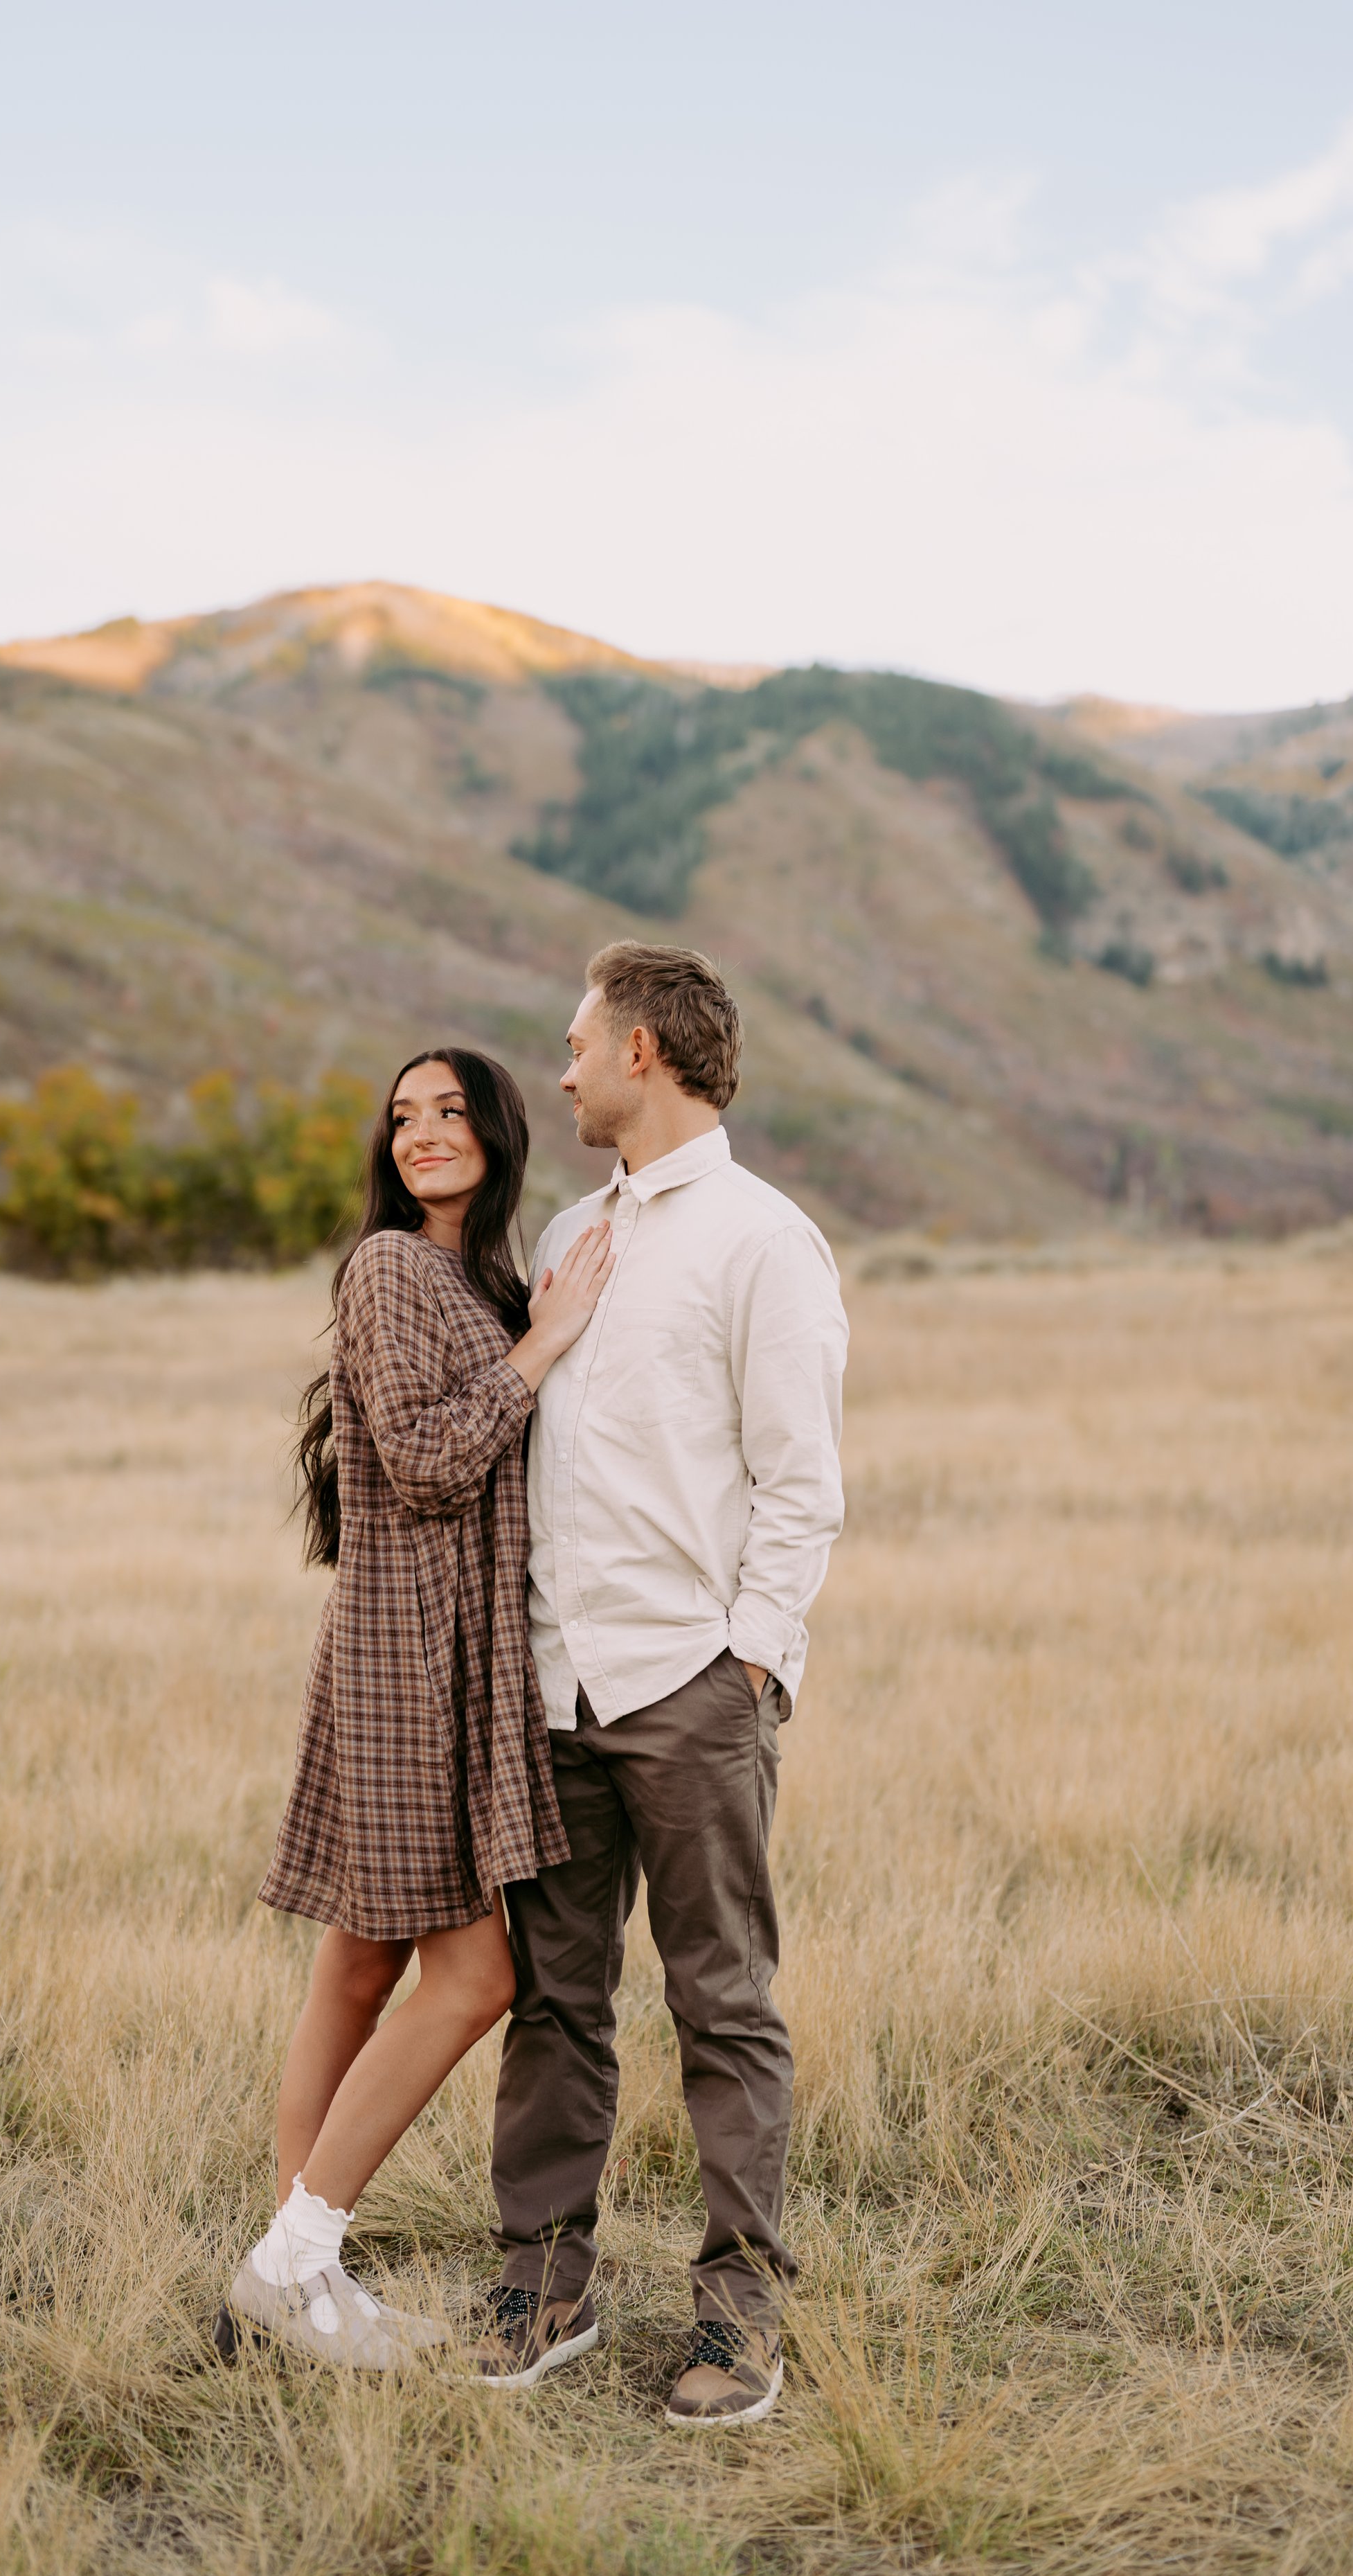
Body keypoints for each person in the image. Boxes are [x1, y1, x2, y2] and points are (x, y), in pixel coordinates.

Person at [470, 943, 850, 2426]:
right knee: (555, 2005)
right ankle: (542, 2287)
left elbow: (799, 1483)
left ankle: (738, 2315)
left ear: (640, 1050)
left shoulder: (765, 1241)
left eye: (574, 1042)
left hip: (691, 1686)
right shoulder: (573, 1229)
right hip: (556, 1687)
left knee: (722, 2006)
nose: (557, 1070)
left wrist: (747, 1663)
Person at [217, 1047, 613, 2371]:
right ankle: (292, 2260)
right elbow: (432, 1460)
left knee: (358, 1962)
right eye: (402, 1118)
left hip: (451, 1661)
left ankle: (295, 2273)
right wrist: (548, 1341)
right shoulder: (391, 1268)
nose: (422, 1133)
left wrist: (532, 1320)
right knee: (478, 1971)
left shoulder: (480, 1279)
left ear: (498, 1133)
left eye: (449, 1112)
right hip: (406, 1668)